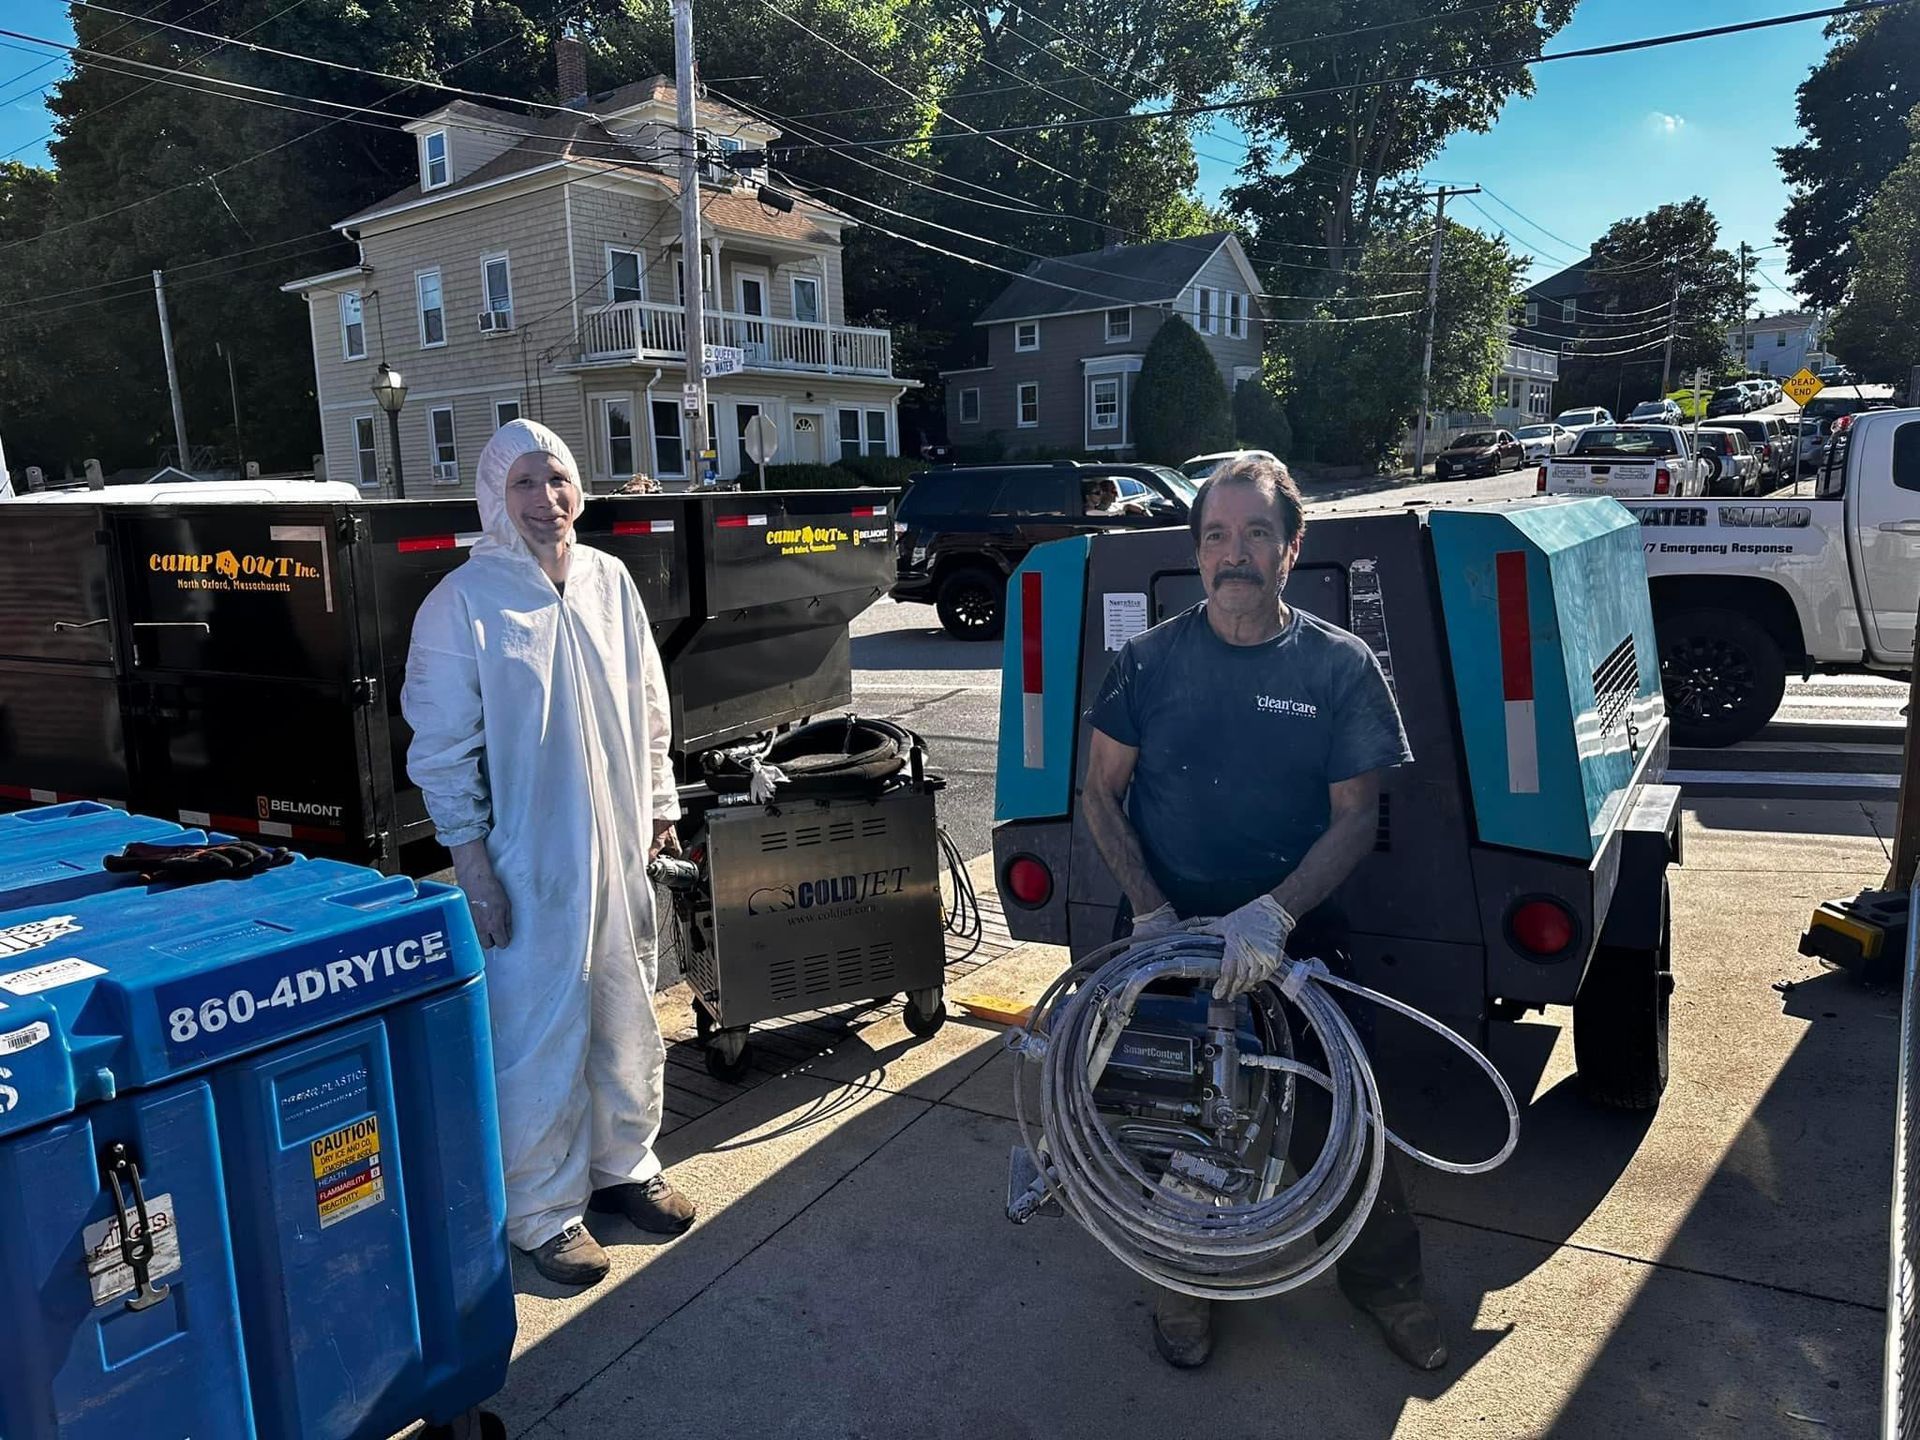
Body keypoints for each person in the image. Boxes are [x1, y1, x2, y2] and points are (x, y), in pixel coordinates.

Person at [1081, 456, 1442, 1372]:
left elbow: (1356, 817)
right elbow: (1099, 793)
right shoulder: (1147, 662)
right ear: (1196, 551)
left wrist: (1275, 916)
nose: (1233, 554)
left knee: (1343, 1113)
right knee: (1172, 1114)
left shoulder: (1339, 665)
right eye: (1216, 535)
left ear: (1291, 548)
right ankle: (1182, 1285)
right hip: (1167, 940)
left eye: (1255, 534)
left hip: (1295, 938)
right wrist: (1152, 914)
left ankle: (1388, 1286)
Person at [402, 419, 696, 1288]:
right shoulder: (463, 602)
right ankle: (541, 1208)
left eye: (558, 478)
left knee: (627, 1006)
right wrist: (473, 866)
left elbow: (648, 701)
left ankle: (624, 1165)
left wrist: (658, 804)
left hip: (617, 846)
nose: (546, 499)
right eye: (524, 482)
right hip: (527, 858)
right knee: (537, 1028)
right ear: (495, 495)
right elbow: (443, 747)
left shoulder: (608, 580)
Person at [1082, 476, 1150, 517]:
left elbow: (1127, 505)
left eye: (1116, 491)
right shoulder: (1092, 509)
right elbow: (1088, 512)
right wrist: (1114, 513)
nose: (1116, 495)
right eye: (1113, 491)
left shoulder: (1114, 506)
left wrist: (1143, 511)